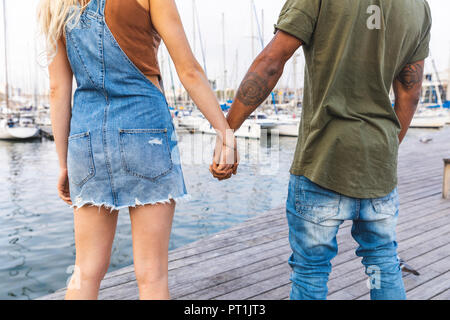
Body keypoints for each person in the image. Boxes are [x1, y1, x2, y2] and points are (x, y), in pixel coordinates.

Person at [211, 0, 431, 300]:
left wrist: (227, 130)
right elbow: (410, 93)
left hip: (322, 162)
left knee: (311, 272)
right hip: (377, 168)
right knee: (382, 264)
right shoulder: (418, 6)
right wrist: (385, 150)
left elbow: (273, 60)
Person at [38, 0, 237, 300]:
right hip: (146, 131)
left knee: (85, 271)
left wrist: (64, 163)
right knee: (152, 276)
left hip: (86, 138)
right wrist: (225, 131)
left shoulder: (55, 5)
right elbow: (189, 71)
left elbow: (58, 90)